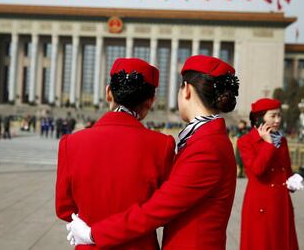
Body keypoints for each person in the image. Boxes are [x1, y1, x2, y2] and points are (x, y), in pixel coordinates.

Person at [67, 55, 239, 249]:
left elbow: (157, 209)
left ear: (187, 90)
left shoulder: (208, 148)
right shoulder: (204, 139)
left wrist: (92, 233)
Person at [55, 58, 176, 249]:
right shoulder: (162, 146)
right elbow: (162, 212)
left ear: (108, 92)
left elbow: (64, 209)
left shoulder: (71, 143)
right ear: (150, 101)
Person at [238, 98, 302, 250]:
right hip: (260, 204)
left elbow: (286, 170)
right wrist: (268, 144)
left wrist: (293, 182)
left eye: (279, 115)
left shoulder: (282, 140)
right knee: (261, 243)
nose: (278, 120)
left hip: (281, 202)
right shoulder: (245, 141)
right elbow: (257, 170)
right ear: (260, 117)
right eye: (273, 116)